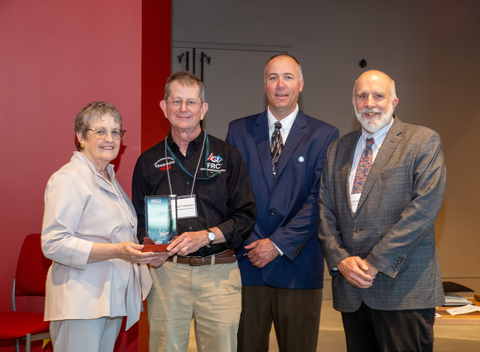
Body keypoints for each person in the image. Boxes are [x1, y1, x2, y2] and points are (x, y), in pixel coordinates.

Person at [318, 70, 446, 352]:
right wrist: (341, 261)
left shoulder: (422, 141)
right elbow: (325, 212)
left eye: (378, 96)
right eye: (362, 96)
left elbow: (422, 211)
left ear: (394, 101)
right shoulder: (337, 150)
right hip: (352, 291)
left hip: (404, 291)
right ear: (353, 103)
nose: (370, 103)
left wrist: (373, 263)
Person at [132, 71, 256, 352]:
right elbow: (140, 219)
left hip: (219, 274)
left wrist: (208, 236)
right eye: (176, 102)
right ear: (164, 107)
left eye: (191, 102)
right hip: (167, 274)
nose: (183, 109)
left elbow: (246, 216)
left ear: (203, 109)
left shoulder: (228, 157)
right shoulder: (147, 162)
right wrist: (150, 246)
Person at [226, 54, 339, 352]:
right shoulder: (238, 131)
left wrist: (276, 244)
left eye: (288, 77)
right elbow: (229, 195)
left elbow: (320, 200)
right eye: (273, 77)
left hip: (298, 267)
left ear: (301, 84)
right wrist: (254, 243)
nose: (280, 85)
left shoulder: (325, 135)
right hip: (247, 266)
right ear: (264, 84)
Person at [41, 102, 161, 352]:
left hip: (109, 300)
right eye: (100, 131)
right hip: (81, 302)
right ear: (81, 137)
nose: (110, 139)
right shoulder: (69, 179)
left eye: (116, 132)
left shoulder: (108, 178)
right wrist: (117, 251)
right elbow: (53, 243)